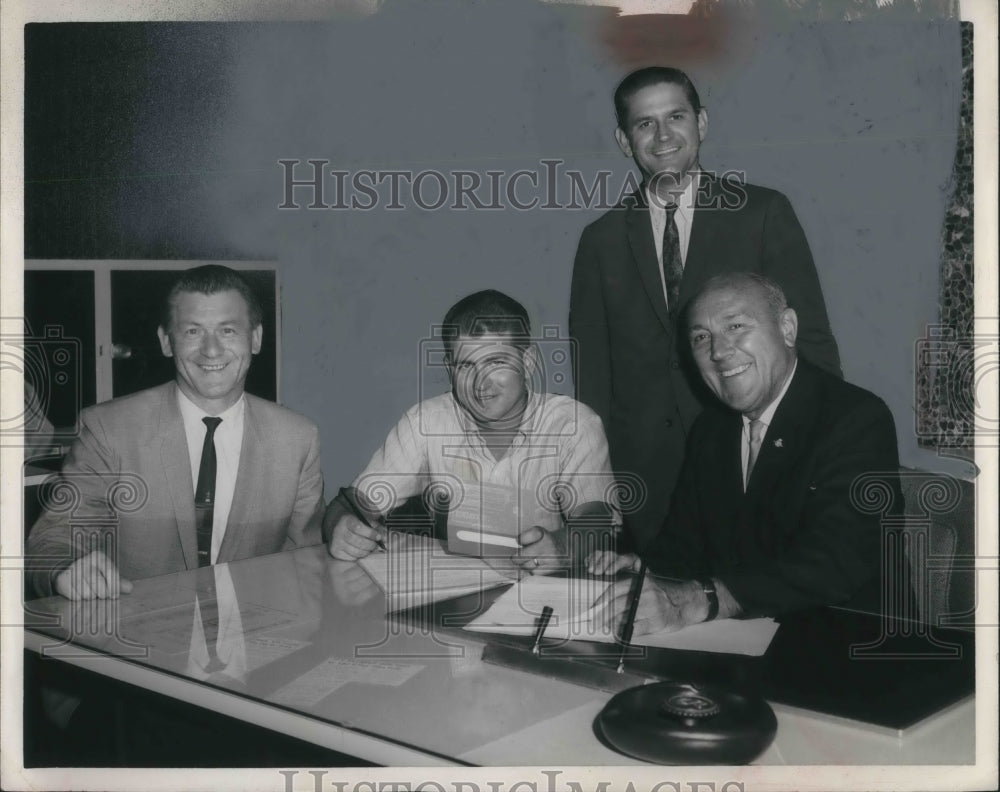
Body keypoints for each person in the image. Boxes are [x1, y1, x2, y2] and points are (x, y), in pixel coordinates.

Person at [570, 66, 842, 551]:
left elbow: (811, 341)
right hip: (647, 484)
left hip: (753, 466)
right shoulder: (600, 241)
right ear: (624, 140)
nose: (663, 134)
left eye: (676, 116)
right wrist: (600, 484)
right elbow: (593, 376)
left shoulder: (762, 213)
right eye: (644, 123)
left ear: (702, 123)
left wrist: (819, 456)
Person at [590, 273, 899, 632]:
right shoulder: (712, 430)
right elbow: (684, 543)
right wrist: (645, 570)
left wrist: (701, 599)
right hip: (741, 642)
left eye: (735, 326)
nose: (718, 352)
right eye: (701, 337)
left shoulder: (855, 418)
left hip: (847, 642)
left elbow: (835, 563)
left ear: (787, 328)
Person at [26, 265, 325, 600]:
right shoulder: (108, 429)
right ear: (166, 341)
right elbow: (52, 540)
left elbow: (307, 561)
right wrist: (68, 566)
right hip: (134, 638)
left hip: (255, 639)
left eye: (228, 331)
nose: (211, 350)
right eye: (192, 332)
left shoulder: (298, 438)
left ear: (255, 338)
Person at [326, 289, 620, 571]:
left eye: (496, 362)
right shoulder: (425, 422)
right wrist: (342, 526)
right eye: (466, 366)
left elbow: (596, 517)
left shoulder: (573, 423)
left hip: (549, 595)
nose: (481, 383)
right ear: (449, 369)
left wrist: (563, 545)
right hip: (454, 593)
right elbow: (351, 503)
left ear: (527, 362)